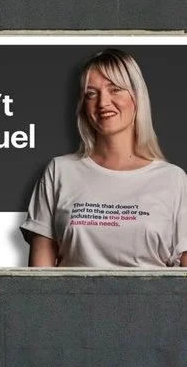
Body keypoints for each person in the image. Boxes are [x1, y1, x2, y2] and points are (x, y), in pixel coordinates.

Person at [23, 48, 187, 268]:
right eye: (91, 93)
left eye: (115, 89)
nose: (103, 103)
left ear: (137, 96)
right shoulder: (59, 172)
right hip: (71, 293)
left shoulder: (174, 179)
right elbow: (38, 277)